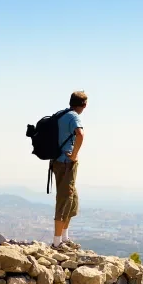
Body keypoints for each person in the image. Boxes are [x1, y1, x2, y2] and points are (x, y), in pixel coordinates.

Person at [50, 91, 87, 250]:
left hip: (57, 162)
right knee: (65, 200)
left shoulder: (60, 114)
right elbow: (80, 134)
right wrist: (74, 155)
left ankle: (64, 238)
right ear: (84, 105)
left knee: (72, 199)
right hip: (66, 163)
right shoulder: (73, 116)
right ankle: (57, 242)